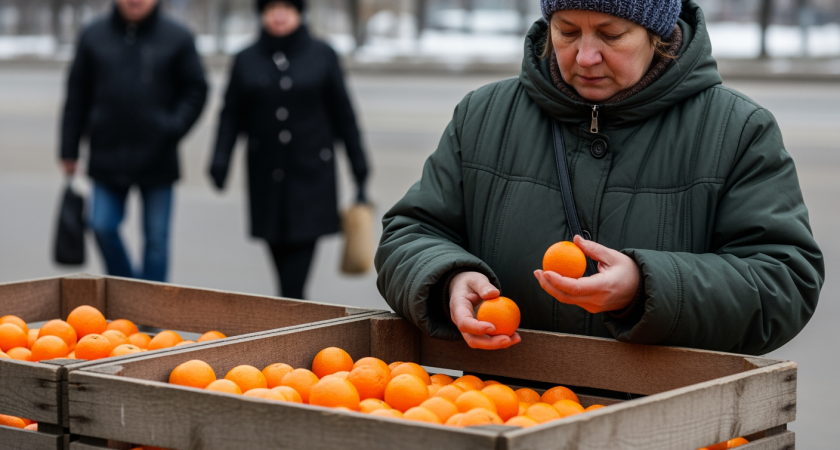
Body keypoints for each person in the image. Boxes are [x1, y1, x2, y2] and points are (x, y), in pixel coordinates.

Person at [375, 0, 824, 354]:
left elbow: (784, 282)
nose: (586, 56)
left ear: (658, 34)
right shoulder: (483, 115)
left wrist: (648, 288)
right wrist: (448, 279)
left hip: (667, 419)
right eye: (567, 31)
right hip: (501, 413)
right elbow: (409, 233)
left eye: (612, 34)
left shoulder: (737, 130)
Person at [209, 0, 369, 299]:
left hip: (311, 176)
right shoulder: (246, 58)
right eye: (272, 8)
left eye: (286, 8)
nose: (279, 15)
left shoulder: (322, 54)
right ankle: (292, 314)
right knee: (280, 260)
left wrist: (360, 168)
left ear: (299, 12)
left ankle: (291, 316)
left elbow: (344, 114)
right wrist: (220, 160)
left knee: (295, 275)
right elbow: (230, 115)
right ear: (262, 14)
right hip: (265, 177)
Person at [59, 0, 208, 282]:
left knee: (156, 242)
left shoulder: (177, 36)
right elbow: (76, 95)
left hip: (158, 157)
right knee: (101, 225)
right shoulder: (93, 35)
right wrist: (69, 149)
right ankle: (128, 295)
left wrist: (172, 127)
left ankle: (151, 317)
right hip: (106, 153)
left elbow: (196, 89)